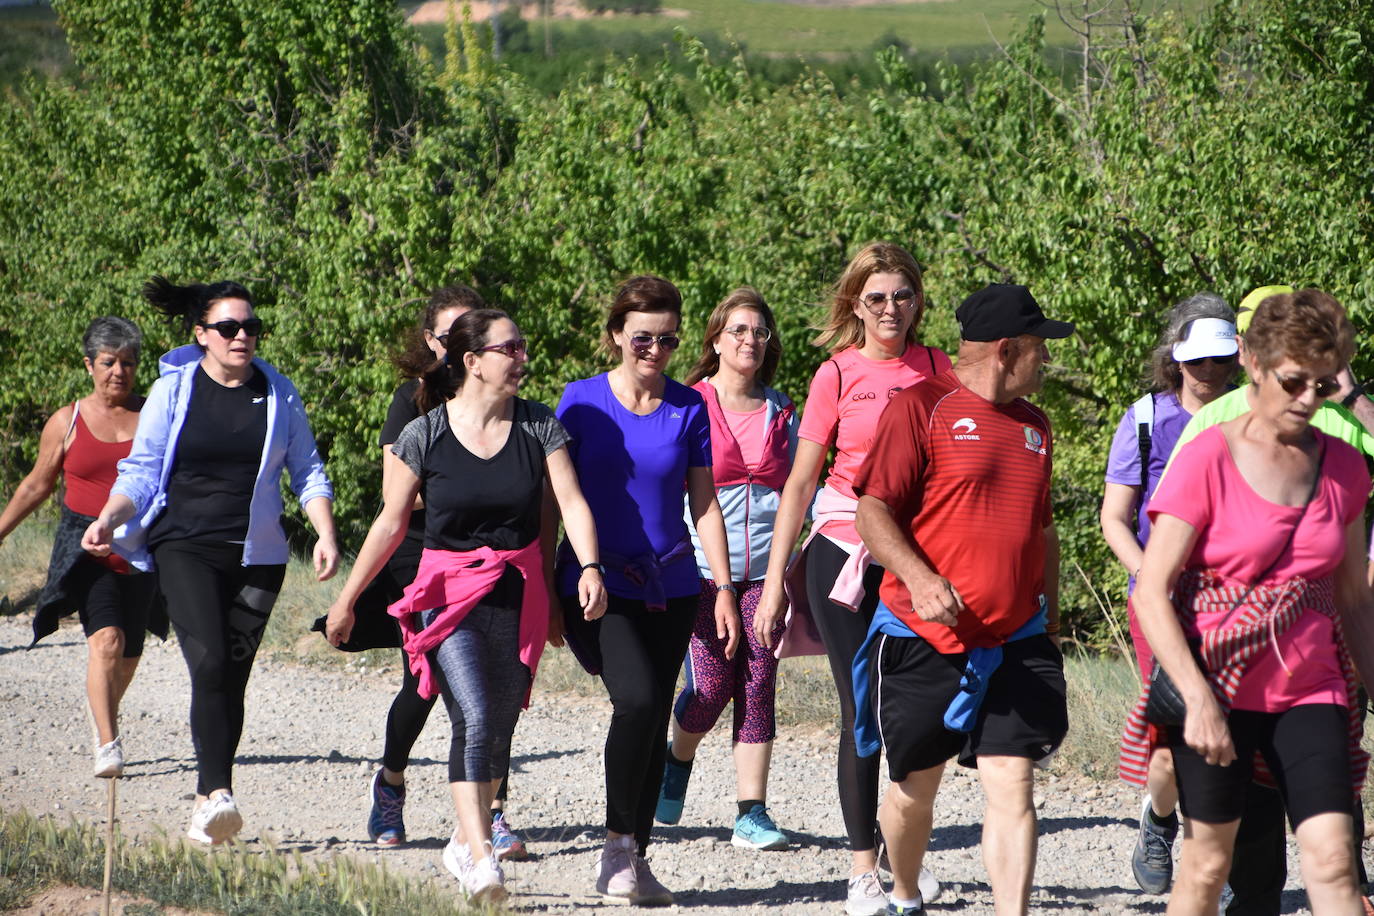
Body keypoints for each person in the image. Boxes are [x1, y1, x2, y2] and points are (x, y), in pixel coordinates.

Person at [323, 308, 606, 904]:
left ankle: (462, 836)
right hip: (447, 593)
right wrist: (346, 600)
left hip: (518, 587)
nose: (523, 356)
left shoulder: (539, 427)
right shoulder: (423, 435)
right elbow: (391, 522)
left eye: (523, 345)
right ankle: (481, 861)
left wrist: (588, 567)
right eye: (511, 348)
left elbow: (572, 503)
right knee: (473, 715)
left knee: (500, 722)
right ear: (472, 361)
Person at [1124, 288, 1374, 916]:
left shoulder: (1344, 466)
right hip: (1219, 686)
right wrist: (1197, 698)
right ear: (1255, 365)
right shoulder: (1207, 456)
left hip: (1312, 689)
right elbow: (1153, 592)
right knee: (1209, 867)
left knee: (1335, 861)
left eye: (1322, 385)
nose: (1308, 401)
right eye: (1293, 383)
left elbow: (1353, 599)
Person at [81, 277, 339, 846]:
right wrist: (107, 517)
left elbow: (308, 469)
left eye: (250, 326)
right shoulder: (174, 390)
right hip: (185, 547)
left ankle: (207, 801)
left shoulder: (278, 391)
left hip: (259, 558)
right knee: (212, 663)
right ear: (201, 335)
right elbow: (143, 470)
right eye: (228, 327)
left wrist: (324, 531)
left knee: (232, 678)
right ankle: (218, 792)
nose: (242, 336)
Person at [851, 282, 1074, 916]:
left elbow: (1043, 533)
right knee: (915, 790)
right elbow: (872, 513)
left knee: (1013, 780)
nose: (1047, 362)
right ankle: (901, 889)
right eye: (1040, 349)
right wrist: (921, 580)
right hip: (926, 638)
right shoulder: (921, 407)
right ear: (1008, 350)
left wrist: (1051, 623)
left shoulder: (1036, 427)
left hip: (1016, 637)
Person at [751, 242, 950, 915]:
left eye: (902, 296)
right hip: (842, 550)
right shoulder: (835, 375)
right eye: (877, 298)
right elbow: (802, 479)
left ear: (919, 301)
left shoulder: (941, 369)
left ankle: (905, 861)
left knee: (915, 715)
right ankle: (864, 870)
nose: (891, 309)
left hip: (917, 557)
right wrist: (776, 578)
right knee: (862, 709)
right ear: (855, 305)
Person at [556, 275, 740, 906]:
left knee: (656, 709)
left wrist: (720, 585)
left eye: (667, 339)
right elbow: (555, 496)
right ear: (616, 336)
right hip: (596, 579)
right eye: (642, 337)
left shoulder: (690, 406)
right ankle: (614, 848)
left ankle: (637, 855)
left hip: (673, 582)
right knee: (635, 702)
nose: (655, 350)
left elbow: (705, 503)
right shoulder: (578, 403)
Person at [340, 285, 528, 858]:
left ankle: (491, 807)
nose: (459, 344)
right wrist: (456, 482)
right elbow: (396, 498)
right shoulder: (413, 403)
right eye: (449, 336)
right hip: (420, 554)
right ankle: (392, 780)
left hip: (492, 556)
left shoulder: (512, 409)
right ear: (434, 344)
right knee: (424, 687)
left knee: (502, 683)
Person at [1099, 293, 1239, 894]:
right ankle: (1159, 821)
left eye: (1222, 360)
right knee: (1173, 739)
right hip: (1159, 604)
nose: (1209, 373)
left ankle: (1218, 854)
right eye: (1198, 361)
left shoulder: (1257, 416)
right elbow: (1114, 517)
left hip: (1239, 603)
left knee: (1234, 735)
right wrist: (1149, 577)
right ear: (1176, 360)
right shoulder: (1148, 420)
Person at [654, 287, 799, 851]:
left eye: (760, 332)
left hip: (767, 571)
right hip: (699, 571)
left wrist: (784, 575)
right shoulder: (688, 404)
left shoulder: (783, 410)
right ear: (715, 340)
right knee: (712, 687)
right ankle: (677, 754)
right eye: (738, 330)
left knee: (759, 682)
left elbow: (797, 493)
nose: (750, 340)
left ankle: (751, 811)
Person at [0, 317, 159, 778]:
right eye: (109, 362)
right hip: (86, 546)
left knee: (129, 654)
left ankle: (102, 711)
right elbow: (36, 486)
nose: (118, 372)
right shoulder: (66, 421)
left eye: (128, 363)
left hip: (140, 546)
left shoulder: (152, 416)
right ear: (89, 364)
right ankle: (108, 743)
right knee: (106, 642)